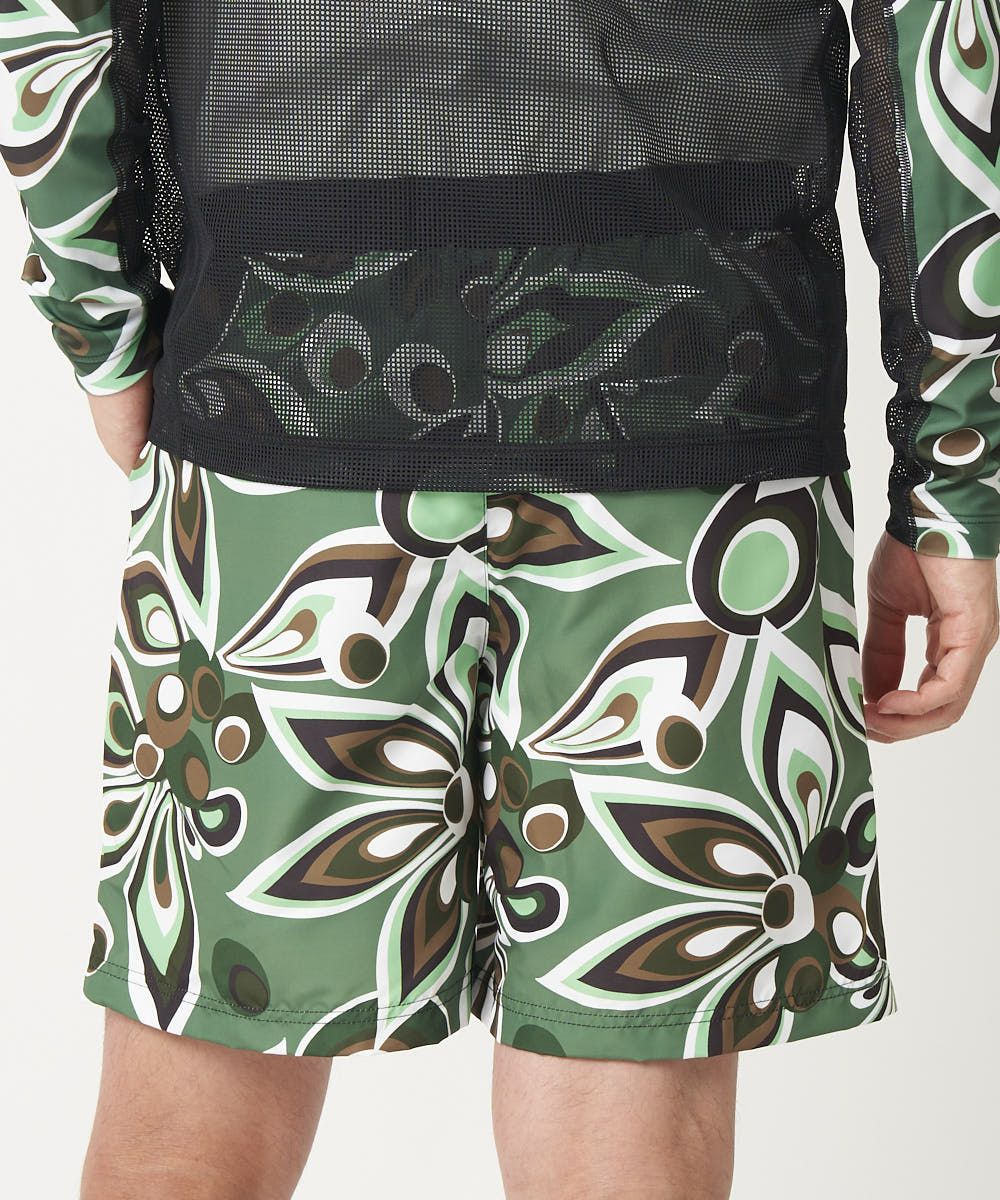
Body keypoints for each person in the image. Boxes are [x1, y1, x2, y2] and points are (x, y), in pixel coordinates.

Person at [2, 2, 998, 1197]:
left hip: (292, 379)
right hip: (692, 399)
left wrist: (102, 323)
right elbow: (939, 30)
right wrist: (954, 473)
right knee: (622, 1138)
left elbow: (52, 19)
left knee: (189, 1128)